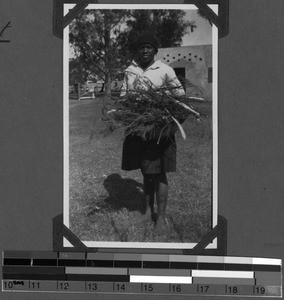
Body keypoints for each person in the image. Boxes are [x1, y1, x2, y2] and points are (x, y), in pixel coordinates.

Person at [120, 31, 186, 233]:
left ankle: (162, 218)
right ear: (137, 51)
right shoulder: (130, 71)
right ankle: (148, 211)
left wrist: (168, 122)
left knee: (160, 173)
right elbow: (124, 96)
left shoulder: (164, 69)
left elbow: (180, 97)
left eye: (149, 47)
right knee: (146, 171)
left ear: (155, 50)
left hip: (160, 129)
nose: (145, 50)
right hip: (140, 129)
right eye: (142, 47)